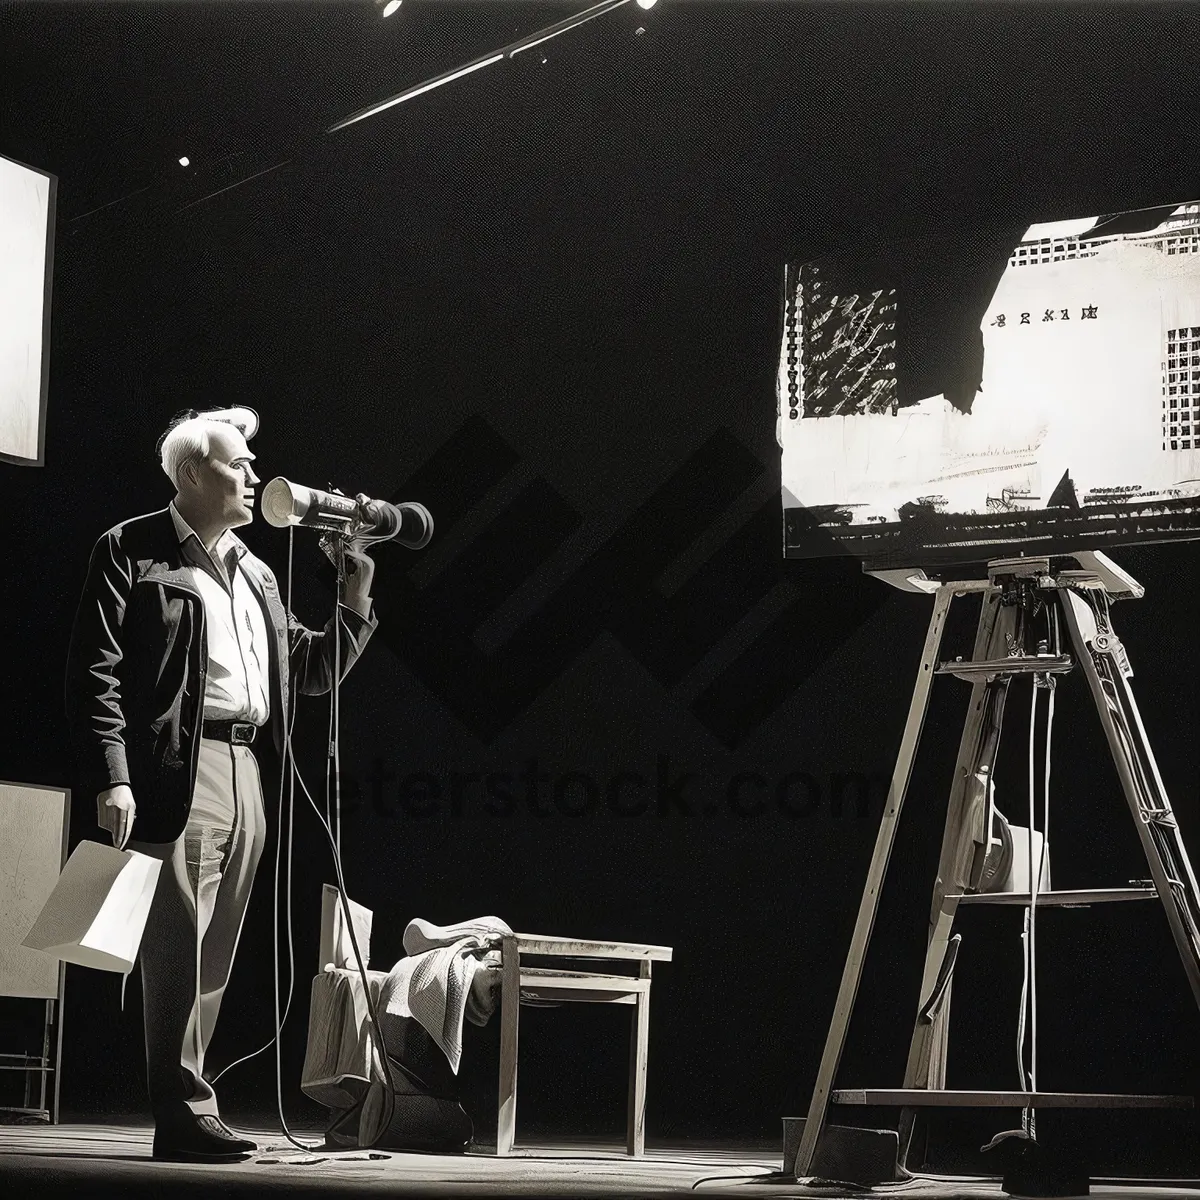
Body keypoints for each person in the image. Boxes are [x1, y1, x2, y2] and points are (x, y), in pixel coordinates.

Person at [65, 406, 379, 1162]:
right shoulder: (132, 549)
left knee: (216, 954)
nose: (254, 473)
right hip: (179, 765)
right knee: (174, 949)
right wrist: (115, 776)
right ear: (192, 473)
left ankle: (191, 1106)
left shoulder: (258, 570)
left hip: (248, 768)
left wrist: (355, 599)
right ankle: (183, 1113)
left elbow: (306, 672)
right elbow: (95, 674)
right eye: (239, 461)